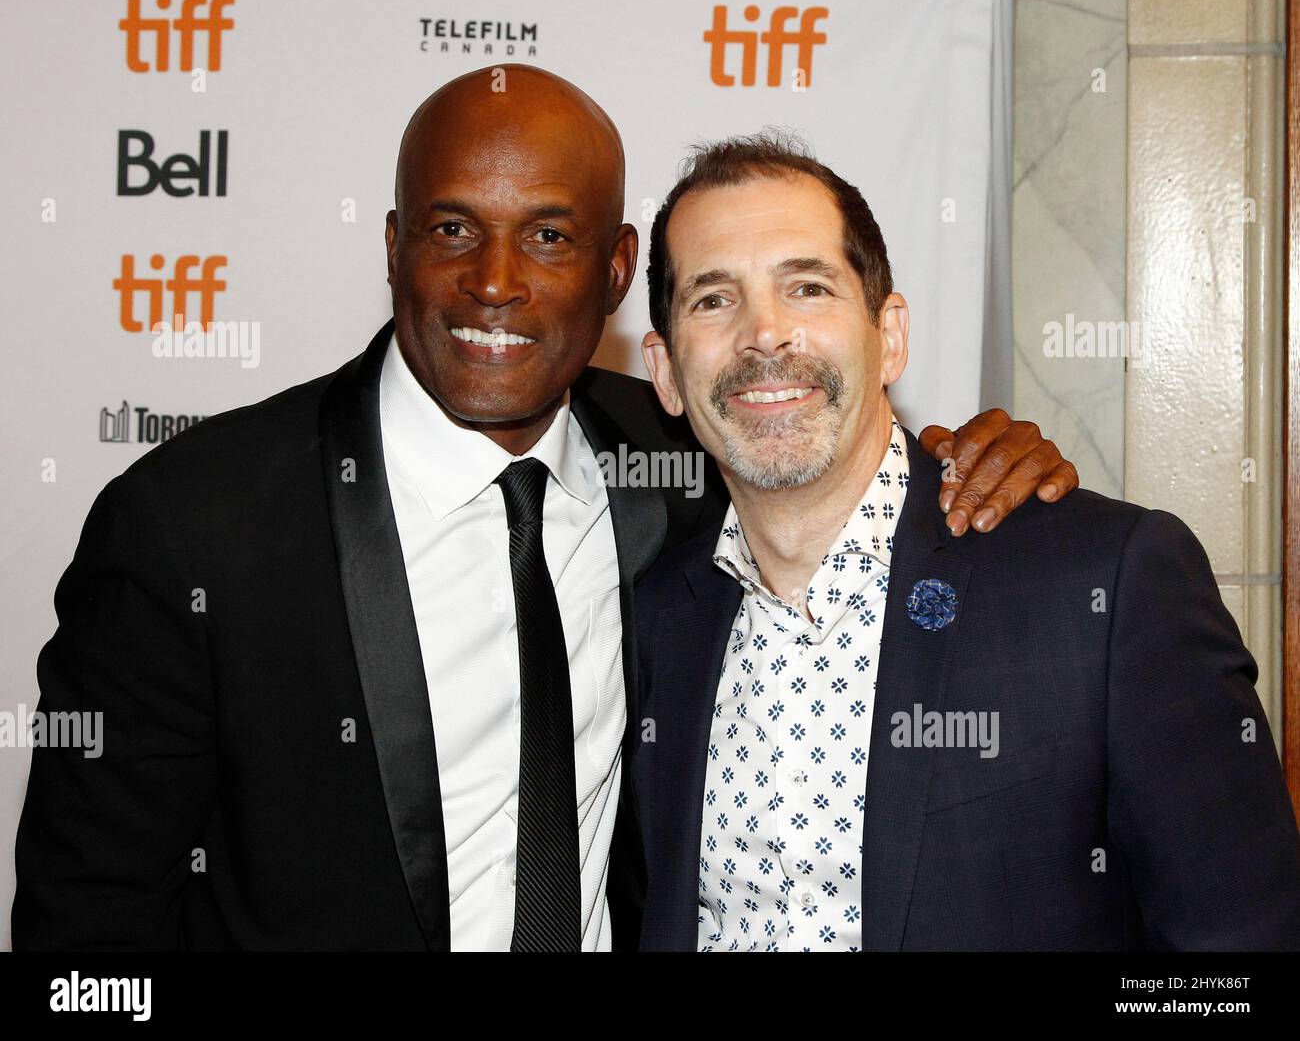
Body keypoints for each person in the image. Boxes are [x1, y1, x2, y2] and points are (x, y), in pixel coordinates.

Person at [13, 67, 1077, 952]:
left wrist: (966, 458)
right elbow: (85, 930)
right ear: (393, 247)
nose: (495, 282)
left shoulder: (682, 453)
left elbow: (829, 451)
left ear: (618, 273)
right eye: (451, 228)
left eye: (551, 238)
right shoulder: (193, 524)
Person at [631, 132, 1300, 951]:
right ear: (665, 371)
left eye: (807, 287)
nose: (766, 334)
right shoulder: (652, 618)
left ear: (892, 336)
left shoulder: (1107, 587)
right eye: (713, 298)